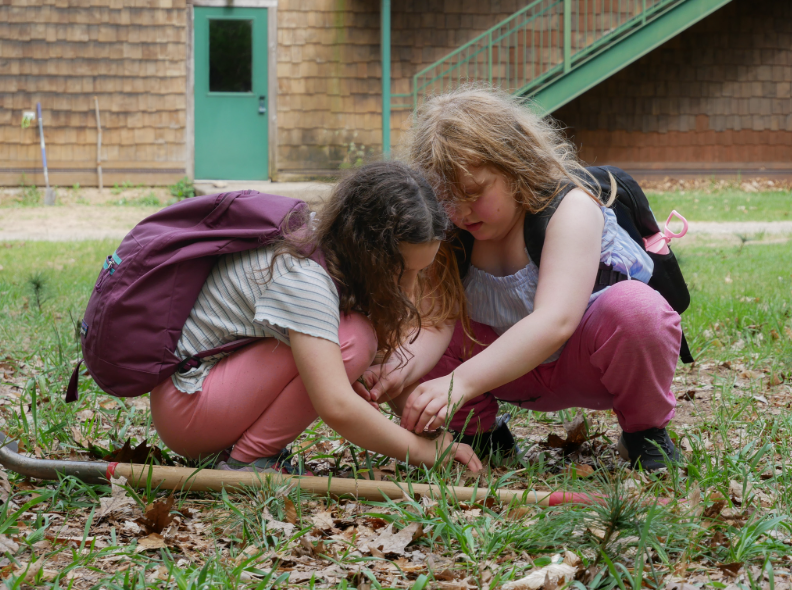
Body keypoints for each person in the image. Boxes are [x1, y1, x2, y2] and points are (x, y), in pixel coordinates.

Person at [361, 88, 683, 471]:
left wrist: (459, 382)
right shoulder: (451, 229)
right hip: (500, 373)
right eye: (446, 197)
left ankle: (643, 434)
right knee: (408, 328)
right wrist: (399, 366)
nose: (460, 211)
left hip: (583, 365)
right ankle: (480, 436)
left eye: (474, 193)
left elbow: (555, 320)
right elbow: (434, 323)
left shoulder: (569, 207)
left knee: (636, 310)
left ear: (514, 164)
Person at [149, 161, 482, 474]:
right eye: (401, 272)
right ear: (369, 252)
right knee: (353, 339)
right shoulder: (306, 277)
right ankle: (250, 461)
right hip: (188, 410)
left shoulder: (323, 241)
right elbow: (336, 405)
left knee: (355, 336)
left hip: (206, 395)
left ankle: (247, 454)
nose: (410, 291)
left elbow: (372, 377)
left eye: (419, 273)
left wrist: (426, 428)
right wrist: (424, 453)